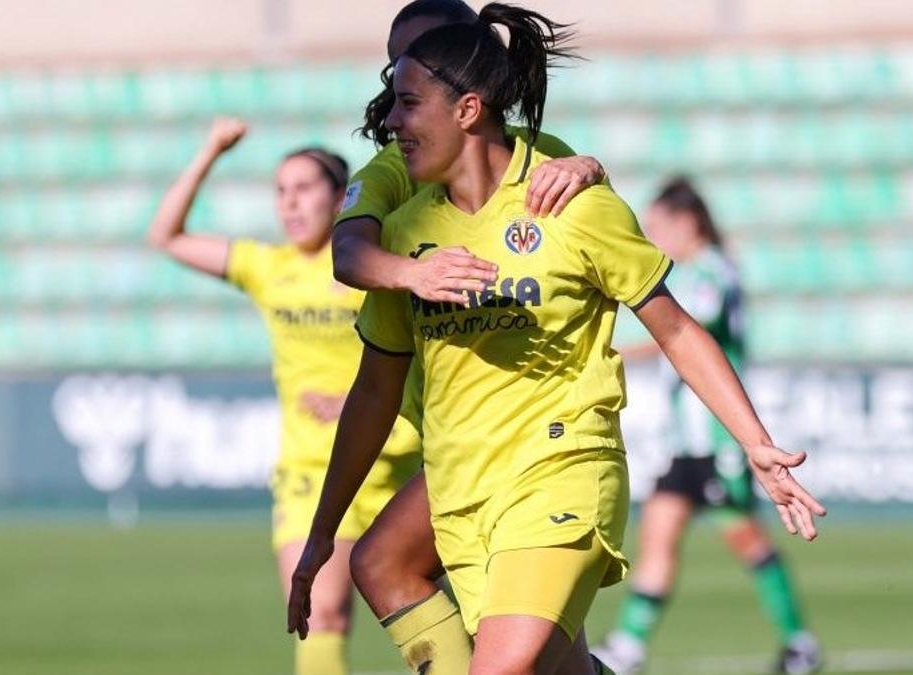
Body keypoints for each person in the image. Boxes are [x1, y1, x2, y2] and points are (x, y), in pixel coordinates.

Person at [287, 5, 826, 673]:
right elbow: (374, 378)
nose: (389, 118)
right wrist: (321, 532)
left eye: (406, 98)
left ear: (468, 106)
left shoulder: (563, 194)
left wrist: (756, 443)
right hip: (460, 484)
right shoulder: (401, 214)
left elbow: (676, 326)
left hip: (558, 468)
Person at [320, 1, 610, 672]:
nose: (402, 76)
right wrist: (413, 273)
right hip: (457, 433)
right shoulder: (395, 168)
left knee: (387, 561)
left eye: (418, 58)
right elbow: (347, 251)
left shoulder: (539, 158)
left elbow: (603, 241)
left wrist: (590, 167)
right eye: (396, 66)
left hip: (531, 436)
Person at [146, 122, 422, 675]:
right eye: (280, 191)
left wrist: (356, 400)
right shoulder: (269, 269)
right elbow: (166, 236)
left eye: (303, 188)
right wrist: (209, 152)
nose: (289, 203)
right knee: (322, 617)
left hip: (396, 463)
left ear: (340, 195)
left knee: (448, 626)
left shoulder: (373, 261)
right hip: (310, 472)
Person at [591, 178, 822, 675]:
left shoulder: (712, 272)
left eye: (657, 227)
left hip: (718, 440)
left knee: (746, 539)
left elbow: (680, 331)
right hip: (685, 443)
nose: (653, 238)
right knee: (657, 536)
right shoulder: (705, 271)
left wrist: (614, 351)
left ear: (687, 223)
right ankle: (629, 646)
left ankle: (799, 642)